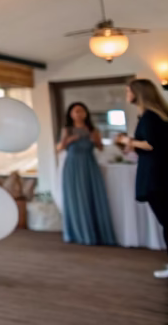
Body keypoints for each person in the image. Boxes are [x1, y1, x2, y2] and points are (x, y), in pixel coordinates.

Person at [119, 79, 168, 278]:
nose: (126, 95)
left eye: (128, 91)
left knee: (167, 221)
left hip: (156, 177)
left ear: (138, 93)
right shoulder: (158, 115)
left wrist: (127, 140)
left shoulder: (149, 117)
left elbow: (150, 144)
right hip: (161, 174)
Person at [57, 102, 116, 246]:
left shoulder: (92, 129)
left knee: (92, 195)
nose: (79, 114)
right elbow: (59, 148)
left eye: (81, 111)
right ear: (71, 114)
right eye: (76, 111)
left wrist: (96, 140)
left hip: (89, 164)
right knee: (75, 197)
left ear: (86, 113)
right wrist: (70, 139)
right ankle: (78, 232)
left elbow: (101, 148)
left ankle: (97, 232)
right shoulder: (67, 130)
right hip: (73, 165)